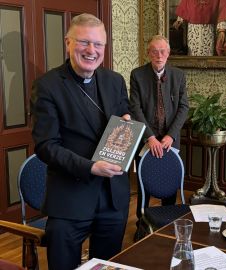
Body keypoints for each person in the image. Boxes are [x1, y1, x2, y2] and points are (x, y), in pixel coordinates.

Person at [31, 13, 131, 270]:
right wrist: (90, 167)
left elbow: (124, 116)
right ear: (68, 43)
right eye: (84, 42)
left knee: (107, 267)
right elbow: (46, 146)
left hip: (112, 199)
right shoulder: (48, 86)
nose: (91, 50)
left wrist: (127, 123)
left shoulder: (115, 81)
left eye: (98, 44)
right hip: (69, 200)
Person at [129, 35, 189, 238]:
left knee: (169, 184)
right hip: (147, 140)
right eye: (154, 51)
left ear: (169, 53)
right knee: (144, 185)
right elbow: (135, 108)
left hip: (170, 142)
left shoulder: (179, 76)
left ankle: (166, 228)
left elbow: (184, 107)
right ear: (148, 53)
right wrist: (150, 137)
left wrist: (171, 136)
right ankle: (141, 225)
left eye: (163, 51)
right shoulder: (137, 75)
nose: (159, 55)